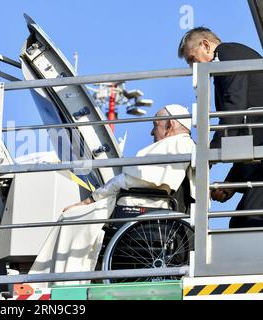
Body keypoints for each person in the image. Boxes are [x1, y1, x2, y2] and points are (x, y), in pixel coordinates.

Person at [28, 105, 195, 287]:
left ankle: (57, 282)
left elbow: (126, 181)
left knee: (71, 217)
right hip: (152, 211)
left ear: (169, 125)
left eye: (155, 125)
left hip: (136, 209)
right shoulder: (187, 146)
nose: (151, 132)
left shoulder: (173, 145)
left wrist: (89, 200)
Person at [178, 27, 263, 228]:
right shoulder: (228, 62)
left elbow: (234, 107)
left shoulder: (227, 53)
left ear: (206, 45)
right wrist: (231, 185)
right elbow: (246, 134)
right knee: (241, 223)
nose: (193, 67)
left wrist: (210, 153)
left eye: (192, 58)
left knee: (248, 223)